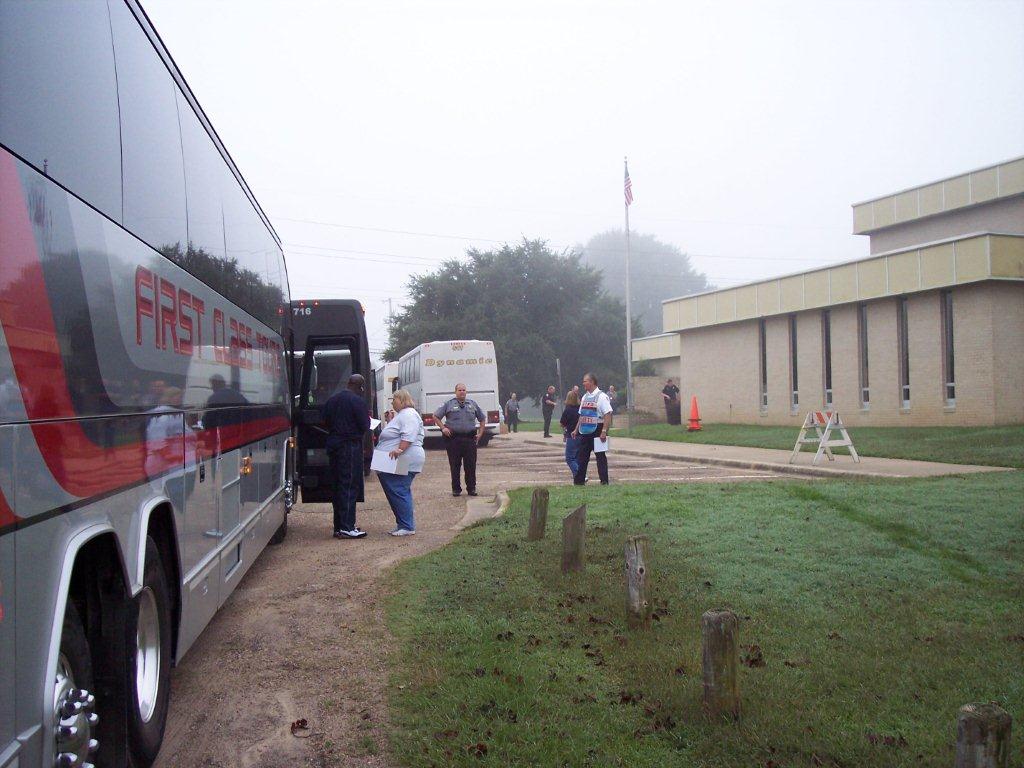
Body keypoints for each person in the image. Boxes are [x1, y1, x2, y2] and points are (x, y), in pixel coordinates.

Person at [322, 374, 371, 539]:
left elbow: (325, 420)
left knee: (337, 486)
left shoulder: (332, 400)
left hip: (333, 445)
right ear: (360, 387)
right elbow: (365, 425)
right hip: (349, 446)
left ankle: (338, 526)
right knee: (349, 486)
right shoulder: (357, 401)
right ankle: (347, 527)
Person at [375, 389, 425, 535]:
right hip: (395, 458)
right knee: (396, 490)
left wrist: (400, 449)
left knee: (398, 490)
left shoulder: (409, 414)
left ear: (402, 400)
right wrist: (391, 421)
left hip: (403, 457)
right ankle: (403, 524)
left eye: (394, 399)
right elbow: (396, 433)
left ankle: (407, 526)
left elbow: (408, 434)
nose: (392, 402)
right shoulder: (403, 415)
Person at [434, 383, 486, 497]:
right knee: (455, 465)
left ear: (466, 392)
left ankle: (471, 488)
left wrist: (480, 434)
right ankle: (456, 489)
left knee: (470, 465)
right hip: (454, 439)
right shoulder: (448, 404)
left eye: (464, 390)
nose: (462, 392)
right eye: (459, 390)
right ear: (455, 392)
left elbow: (482, 419)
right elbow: (436, 416)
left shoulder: (472, 404)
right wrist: (443, 428)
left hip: (469, 439)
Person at [572, 372, 613, 486]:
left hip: (598, 430)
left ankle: (604, 481)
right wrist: (576, 429)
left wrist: (604, 431)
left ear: (592, 382)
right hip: (585, 431)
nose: (583, 383)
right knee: (582, 457)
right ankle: (579, 481)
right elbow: (582, 415)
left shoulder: (602, 396)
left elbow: (607, 414)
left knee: (600, 457)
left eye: (585, 381)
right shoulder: (585, 397)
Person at [560, 390, 581, 478]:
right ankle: (577, 478)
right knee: (577, 458)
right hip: (581, 435)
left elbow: (562, 423)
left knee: (570, 458)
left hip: (571, 435)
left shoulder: (567, 410)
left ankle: (580, 475)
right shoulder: (580, 409)